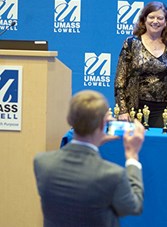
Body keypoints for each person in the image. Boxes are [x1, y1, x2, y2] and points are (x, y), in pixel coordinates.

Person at [34, 90, 145, 227]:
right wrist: (132, 156)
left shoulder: (42, 163)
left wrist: (95, 140)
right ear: (101, 125)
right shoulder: (112, 175)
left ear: (70, 120)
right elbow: (133, 206)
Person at [115, 1, 167, 128]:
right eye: (151, 17)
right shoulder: (132, 43)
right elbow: (120, 80)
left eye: (160, 18)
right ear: (144, 20)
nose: (155, 21)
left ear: (165, 22)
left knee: (158, 146)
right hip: (134, 108)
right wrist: (123, 110)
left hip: (162, 110)